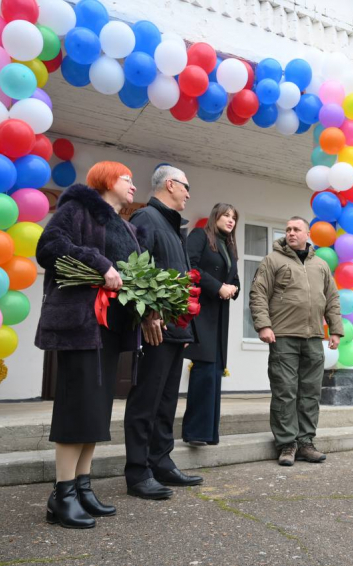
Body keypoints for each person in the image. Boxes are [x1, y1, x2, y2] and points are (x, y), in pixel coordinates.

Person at [35, 162, 141, 529]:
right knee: (76, 406)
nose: (132, 185)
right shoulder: (76, 209)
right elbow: (50, 248)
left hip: (108, 328)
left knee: (95, 409)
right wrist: (99, 263)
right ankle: (62, 493)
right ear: (108, 179)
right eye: (128, 178)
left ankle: (82, 486)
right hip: (80, 323)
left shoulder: (124, 224)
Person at [124, 164, 203, 500]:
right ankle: (138, 471)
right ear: (170, 185)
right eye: (185, 187)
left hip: (175, 329)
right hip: (155, 328)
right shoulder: (145, 219)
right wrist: (148, 315)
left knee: (167, 401)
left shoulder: (173, 226)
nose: (188, 193)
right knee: (146, 400)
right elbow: (135, 268)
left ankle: (161, 461)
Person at [250, 217, 344, 466]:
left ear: (308, 234)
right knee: (285, 391)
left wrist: (335, 330)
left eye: (296, 229)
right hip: (282, 336)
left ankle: (305, 442)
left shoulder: (321, 265)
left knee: (310, 393)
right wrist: (264, 325)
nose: (290, 233)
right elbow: (258, 293)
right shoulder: (273, 260)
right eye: (288, 229)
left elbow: (332, 299)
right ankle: (286, 444)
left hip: (313, 337)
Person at [182, 203, 241, 446]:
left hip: (219, 316)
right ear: (215, 216)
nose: (230, 220)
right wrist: (218, 287)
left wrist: (233, 287)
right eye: (226, 215)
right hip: (200, 312)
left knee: (215, 372)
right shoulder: (200, 236)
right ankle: (195, 433)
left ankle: (208, 433)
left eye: (234, 217)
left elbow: (233, 278)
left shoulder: (229, 246)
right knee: (204, 369)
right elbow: (190, 267)